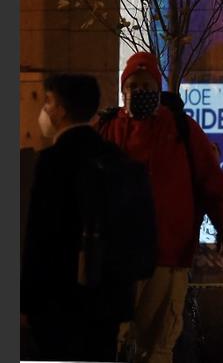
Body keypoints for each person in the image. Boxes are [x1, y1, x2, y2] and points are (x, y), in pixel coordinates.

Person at [98, 52, 223, 363]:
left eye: (146, 84)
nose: (138, 91)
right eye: (132, 84)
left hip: (168, 255)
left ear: (158, 89)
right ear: (123, 90)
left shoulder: (181, 130)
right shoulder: (107, 129)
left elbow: (211, 182)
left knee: (159, 344)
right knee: (115, 342)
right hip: (118, 259)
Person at [21, 74, 155, 362]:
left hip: (58, 302)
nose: (44, 110)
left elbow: (39, 237)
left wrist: (27, 301)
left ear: (62, 110)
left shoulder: (52, 162)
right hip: (106, 302)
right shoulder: (116, 158)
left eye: (48, 102)